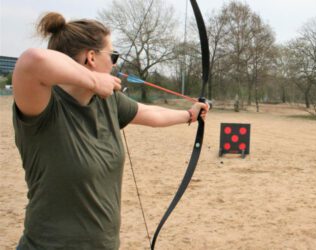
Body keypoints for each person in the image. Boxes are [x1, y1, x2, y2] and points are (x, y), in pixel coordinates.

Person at [12, 12, 208, 250]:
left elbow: (151, 114)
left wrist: (189, 115)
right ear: (91, 57)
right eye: (113, 56)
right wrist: (94, 82)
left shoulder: (108, 102)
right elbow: (31, 61)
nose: (116, 64)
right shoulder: (45, 108)